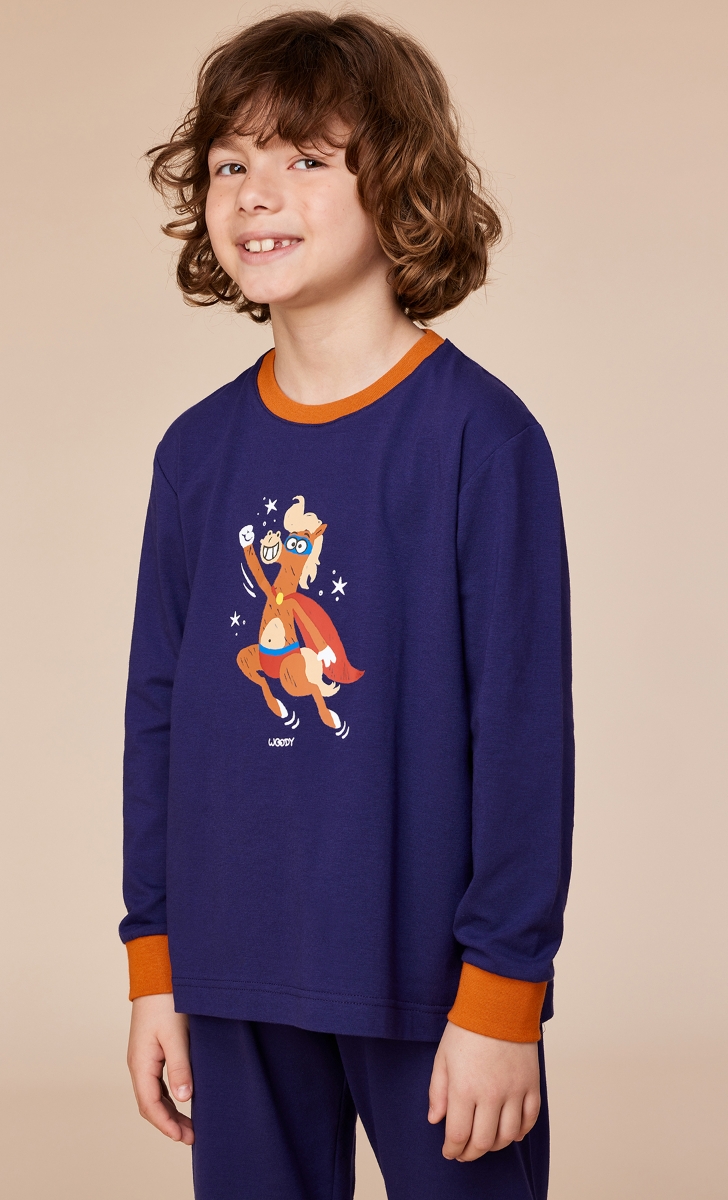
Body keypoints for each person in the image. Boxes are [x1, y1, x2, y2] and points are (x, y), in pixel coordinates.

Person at [120, 11, 574, 1199]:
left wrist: (502, 994)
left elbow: (521, 735)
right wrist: (154, 967)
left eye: (306, 159)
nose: (256, 195)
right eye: (230, 164)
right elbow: (158, 717)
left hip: (430, 985)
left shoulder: (479, 439)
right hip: (228, 972)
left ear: (399, 187)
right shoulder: (194, 454)